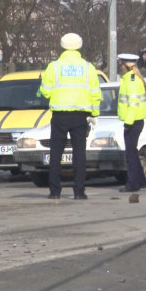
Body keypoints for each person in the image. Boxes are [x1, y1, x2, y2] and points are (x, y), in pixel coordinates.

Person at [39, 33, 101, 200]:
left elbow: (45, 91)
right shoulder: (88, 67)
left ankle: (55, 191)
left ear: (63, 46)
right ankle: (79, 192)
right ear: (79, 46)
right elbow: (95, 93)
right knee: (79, 154)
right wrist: (94, 113)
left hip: (59, 115)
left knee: (56, 153)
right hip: (80, 116)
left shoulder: (54, 66)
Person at [117, 53, 146, 192]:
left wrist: (128, 123)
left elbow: (133, 105)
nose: (120, 67)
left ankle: (133, 183)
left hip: (133, 121)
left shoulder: (132, 81)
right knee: (133, 152)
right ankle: (141, 180)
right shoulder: (131, 79)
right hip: (135, 120)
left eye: (121, 64)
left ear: (126, 66)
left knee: (130, 154)